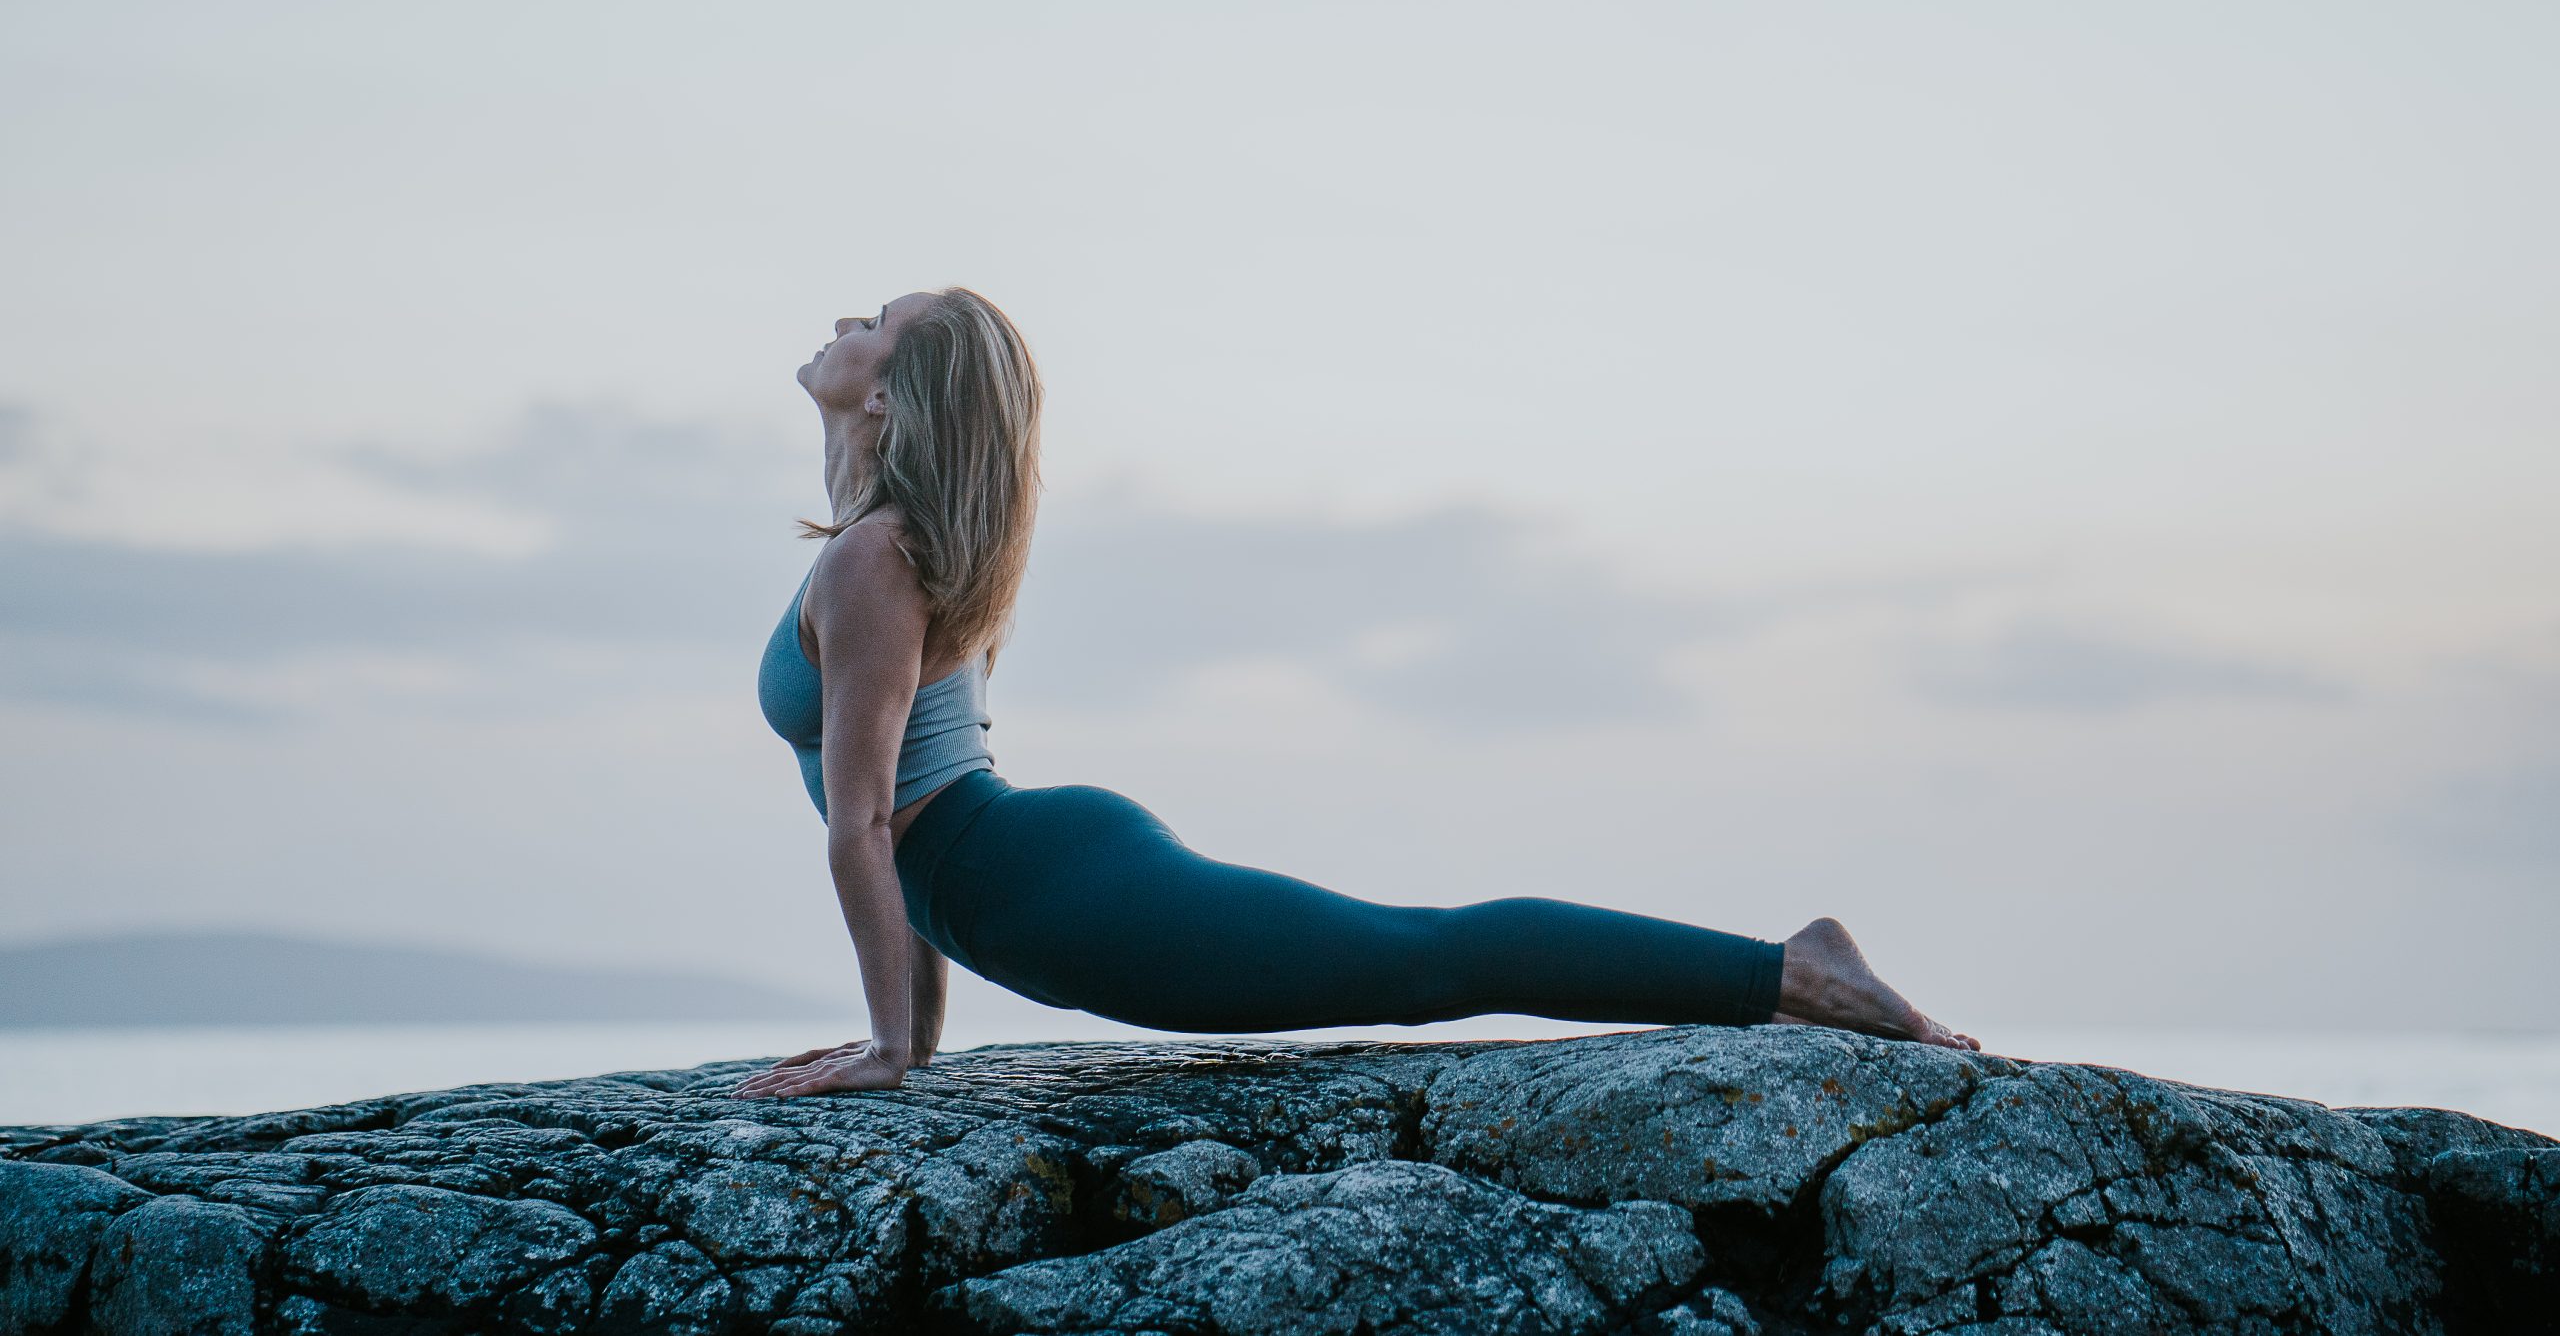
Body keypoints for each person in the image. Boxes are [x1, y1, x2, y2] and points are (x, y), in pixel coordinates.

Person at [734, 288, 1977, 1100]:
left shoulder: (876, 560)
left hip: (1053, 889)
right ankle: (1781, 970)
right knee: (1418, 951)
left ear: (890, 396)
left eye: (873, 320)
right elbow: (901, 822)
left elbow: (868, 824)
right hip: (1028, 871)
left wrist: (893, 1053)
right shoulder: (882, 551)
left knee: (1422, 957)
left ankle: (1793, 973)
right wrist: (915, 1042)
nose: (843, 317)